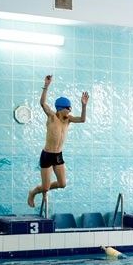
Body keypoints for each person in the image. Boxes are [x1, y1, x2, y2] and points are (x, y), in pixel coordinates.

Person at [27, 75, 88, 208]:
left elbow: (82, 119)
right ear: (61, 108)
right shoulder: (52, 117)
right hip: (47, 155)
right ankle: (33, 192)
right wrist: (46, 86)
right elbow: (43, 104)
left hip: (58, 155)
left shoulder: (68, 120)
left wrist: (84, 105)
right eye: (68, 108)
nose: (70, 111)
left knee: (62, 184)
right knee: (45, 187)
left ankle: (45, 189)